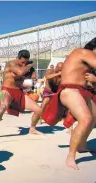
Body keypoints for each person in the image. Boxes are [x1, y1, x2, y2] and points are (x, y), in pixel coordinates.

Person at [42, 37, 96, 170]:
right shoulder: (84, 52)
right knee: (86, 118)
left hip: (81, 90)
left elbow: (82, 78)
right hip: (70, 90)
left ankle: (82, 145)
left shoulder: (84, 59)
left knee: (93, 117)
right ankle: (71, 156)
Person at [0, 50, 44, 141]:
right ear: (17, 58)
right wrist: (29, 65)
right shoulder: (11, 64)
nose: (23, 64)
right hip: (6, 90)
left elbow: (32, 78)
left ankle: (32, 129)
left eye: (25, 62)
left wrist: (30, 70)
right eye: (22, 62)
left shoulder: (24, 66)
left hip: (19, 92)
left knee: (39, 110)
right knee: (2, 107)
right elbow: (20, 73)